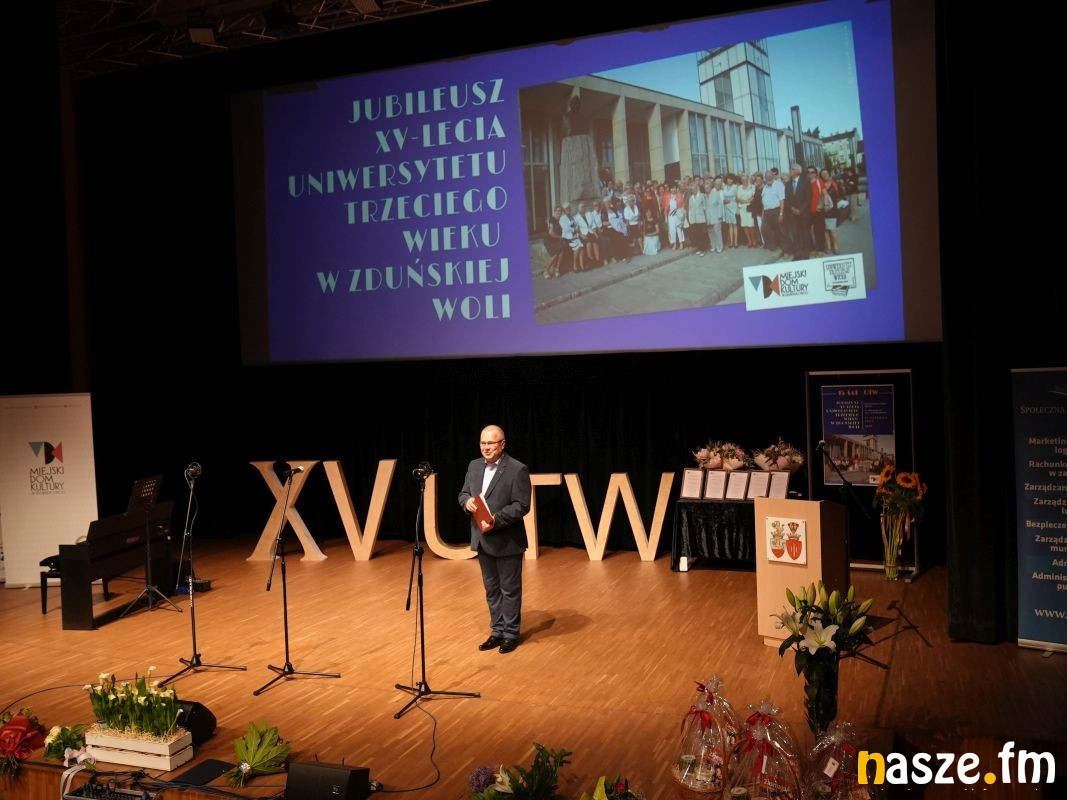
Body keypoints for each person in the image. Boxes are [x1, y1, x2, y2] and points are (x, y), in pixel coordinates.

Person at [458, 425, 531, 654]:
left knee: (509, 589)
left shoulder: (517, 469)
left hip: (507, 540)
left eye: (491, 443)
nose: (486, 447)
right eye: (483, 443)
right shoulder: (473, 466)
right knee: (491, 590)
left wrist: (496, 519)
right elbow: (463, 493)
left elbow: (522, 505)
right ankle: (497, 631)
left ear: (502, 444)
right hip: (482, 539)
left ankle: (511, 634)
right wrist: (466, 502)